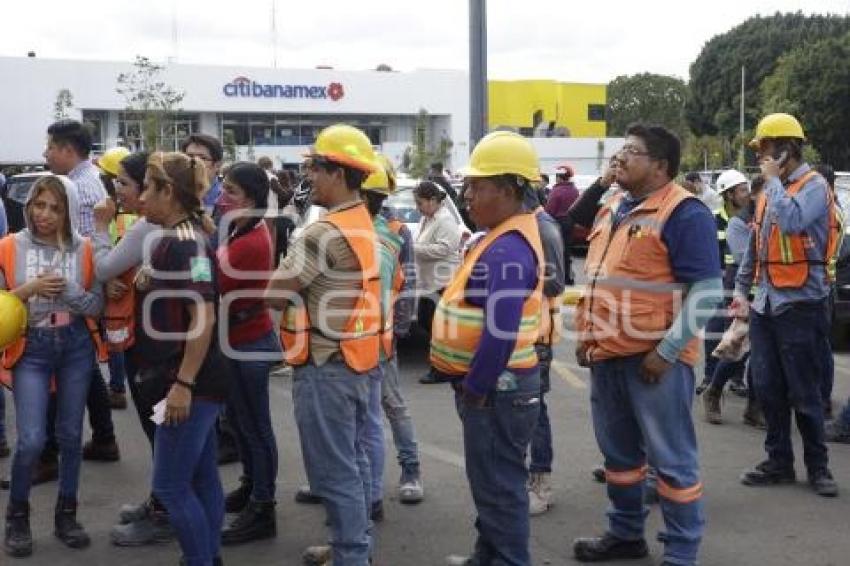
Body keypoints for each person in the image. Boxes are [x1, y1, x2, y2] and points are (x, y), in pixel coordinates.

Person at [572, 124, 722, 566]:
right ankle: (625, 534)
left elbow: (708, 291)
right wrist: (587, 337)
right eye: (620, 150)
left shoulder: (685, 212)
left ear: (660, 166)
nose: (620, 158)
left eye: (631, 152)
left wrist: (667, 351)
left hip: (653, 362)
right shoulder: (615, 206)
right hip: (608, 356)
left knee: (672, 463)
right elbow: (600, 278)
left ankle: (680, 551)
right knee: (620, 459)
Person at [266, 124, 381, 566]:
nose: (306, 175)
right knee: (352, 462)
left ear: (338, 172)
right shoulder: (360, 220)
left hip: (324, 366)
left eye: (313, 167)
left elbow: (276, 293)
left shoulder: (320, 233)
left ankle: (352, 555)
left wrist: (287, 252)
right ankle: (352, 546)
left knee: (334, 473)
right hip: (353, 359)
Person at [434, 132, 545, 566]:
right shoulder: (498, 237)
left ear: (509, 189)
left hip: (497, 390)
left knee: (499, 488)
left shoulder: (509, 249)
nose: (469, 196)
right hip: (495, 389)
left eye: (477, 187)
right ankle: (489, 556)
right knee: (492, 483)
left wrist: (476, 389)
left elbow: (500, 332)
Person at [735, 113, 841, 498]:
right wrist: (741, 288)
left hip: (801, 303)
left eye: (763, 148)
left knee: (805, 391)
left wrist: (775, 182)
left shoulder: (813, 187)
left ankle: (819, 467)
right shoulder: (769, 192)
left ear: (784, 148)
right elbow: (756, 243)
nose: (759, 155)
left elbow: (794, 223)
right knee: (768, 388)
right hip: (766, 302)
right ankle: (778, 461)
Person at [1, 175, 106, 558]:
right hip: (32, 347)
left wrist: (69, 290)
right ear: (28, 205)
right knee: (30, 439)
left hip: (76, 346)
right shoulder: (9, 246)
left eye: (55, 208)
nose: (44, 215)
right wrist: (27, 291)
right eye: (38, 204)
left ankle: (67, 513)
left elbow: (97, 308)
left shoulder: (86, 250)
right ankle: (17, 515)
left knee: (70, 435)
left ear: (68, 212)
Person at [136, 151, 230, 566]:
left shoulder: (184, 244)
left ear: (167, 192)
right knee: (202, 476)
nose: (140, 198)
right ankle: (208, 555)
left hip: (190, 381)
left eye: (146, 188)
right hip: (193, 379)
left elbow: (203, 315)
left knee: (172, 487)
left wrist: (183, 384)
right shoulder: (183, 238)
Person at [43, 119, 120, 467]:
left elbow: (83, 248)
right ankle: (104, 438)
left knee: (60, 365)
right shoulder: (85, 181)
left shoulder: (79, 188)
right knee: (84, 366)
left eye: (50, 147)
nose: (45, 153)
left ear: (68, 150)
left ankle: (49, 450)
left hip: (77, 293)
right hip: (83, 292)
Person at [215, 162, 282, 545]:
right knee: (240, 421)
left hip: (249, 341)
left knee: (256, 426)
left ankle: (263, 506)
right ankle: (251, 485)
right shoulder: (241, 228)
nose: (224, 199)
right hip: (238, 337)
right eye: (224, 190)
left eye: (232, 192)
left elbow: (210, 277)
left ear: (252, 198)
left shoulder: (252, 239)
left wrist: (198, 252)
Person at [525, 186, 566, 516]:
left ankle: (541, 482)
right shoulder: (526, 225)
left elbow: (555, 284)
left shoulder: (543, 227)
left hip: (537, 337)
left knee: (535, 411)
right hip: (520, 333)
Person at [700, 169, 751, 423]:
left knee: (741, 338)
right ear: (729, 195)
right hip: (724, 280)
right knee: (717, 329)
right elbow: (710, 251)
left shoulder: (753, 216)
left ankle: (737, 380)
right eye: (741, 190)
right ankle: (710, 377)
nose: (746, 194)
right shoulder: (714, 219)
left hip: (743, 281)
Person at [726, 175, 767, 429]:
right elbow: (744, 259)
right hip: (747, 292)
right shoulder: (739, 222)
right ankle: (715, 385)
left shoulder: (768, 217)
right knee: (736, 347)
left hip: (766, 295)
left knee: (757, 352)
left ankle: (754, 406)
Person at [95, 146, 134, 411]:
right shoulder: (116, 208)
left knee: (117, 336)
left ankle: (119, 386)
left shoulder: (117, 211)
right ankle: (119, 385)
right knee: (117, 336)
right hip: (117, 279)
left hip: (121, 282)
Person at [413, 180, 462, 385]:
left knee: (437, 328)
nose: (418, 208)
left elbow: (444, 249)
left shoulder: (445, 220)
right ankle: (441, 365)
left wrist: (413, 249)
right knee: (429, 323)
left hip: (442, 282)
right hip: (429, 282)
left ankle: (440, 368)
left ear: (433, 200)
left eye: (421, 203)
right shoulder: (429, 218)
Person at [545, 163, 579, 285]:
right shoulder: (574, 190)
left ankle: (558, 278)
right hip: (570, 223)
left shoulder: (556, 191)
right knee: (567, 252)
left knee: (557, 252)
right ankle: (568, 278)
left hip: (557, 223)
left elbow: (549, 210)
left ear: (559, 177)